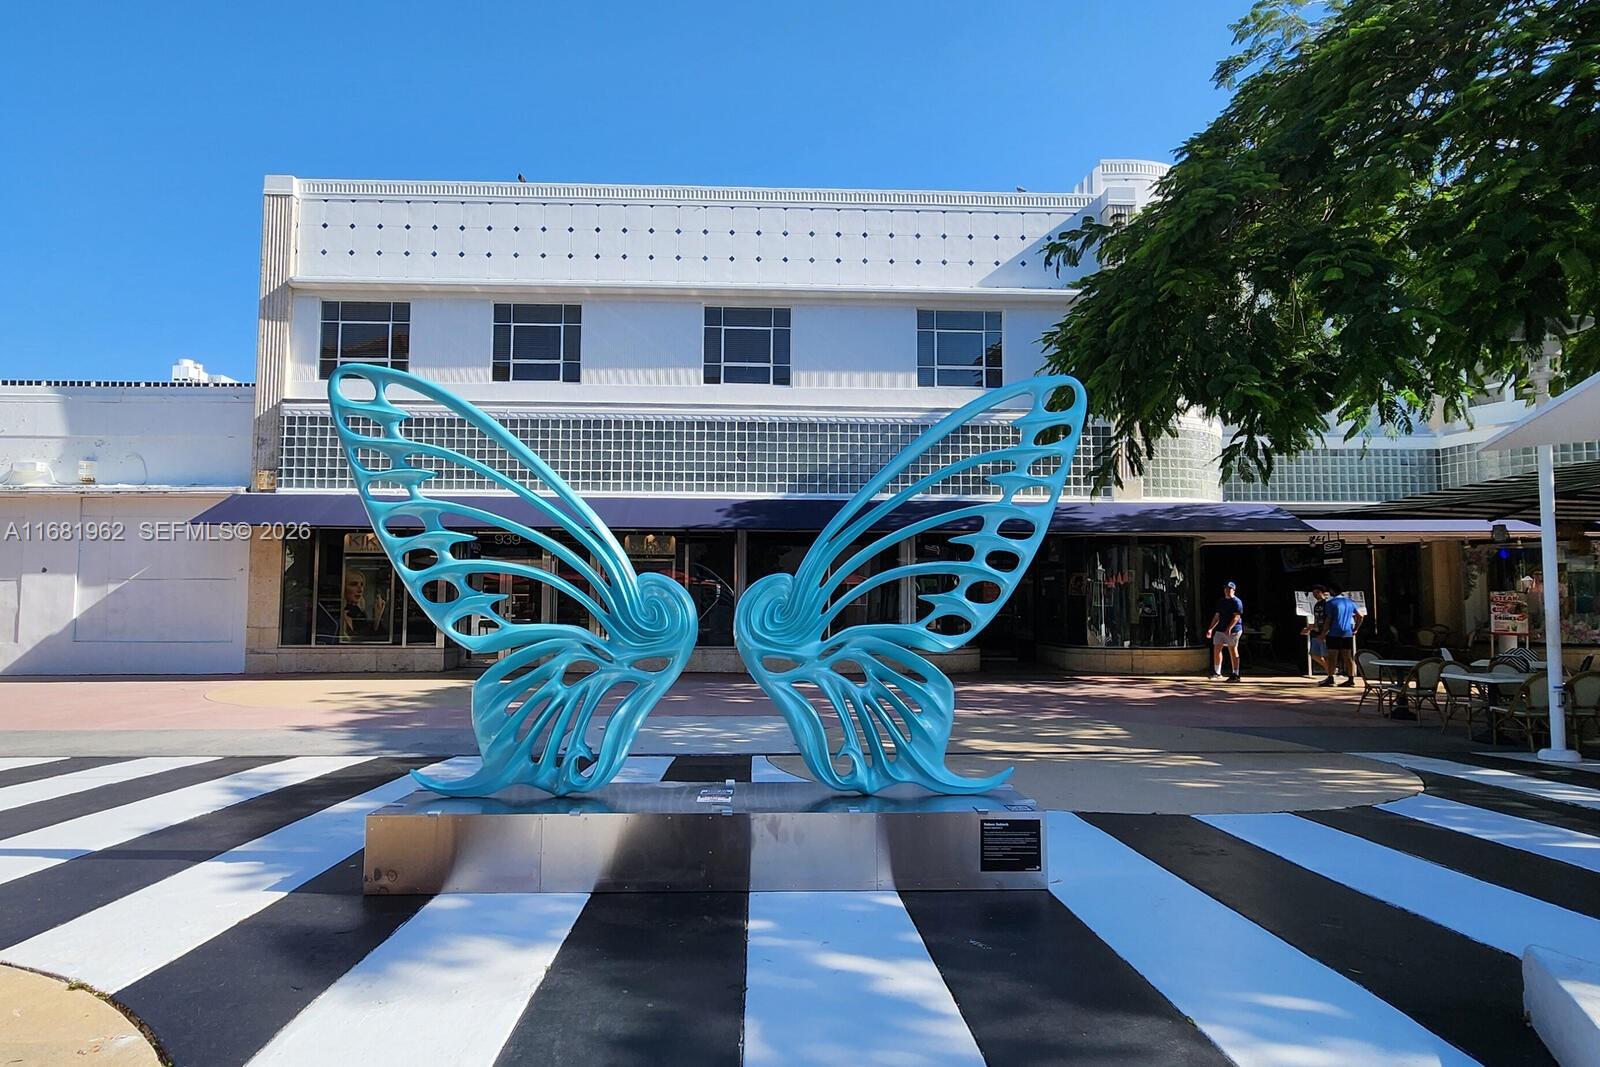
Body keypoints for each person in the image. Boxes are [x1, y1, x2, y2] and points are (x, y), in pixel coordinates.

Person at [1318, 587, 1365, 687]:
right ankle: (1351, 679)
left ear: (1332, 591)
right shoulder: (1350, 602)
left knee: (1332, 656)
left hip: (1334, 632)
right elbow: (1360, 616)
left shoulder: (1330, 603)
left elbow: (1328, 619)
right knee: (1348, 656)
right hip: (1347, 632)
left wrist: (1323, 633)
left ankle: (1331, 678)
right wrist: (1356, 628)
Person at [1205, 580, 1244, 682]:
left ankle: (1236, 674)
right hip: (1220, 629)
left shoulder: (1237, 602)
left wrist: (1229, 628)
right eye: (1226, 588)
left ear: (1234, 590)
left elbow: (1236, 617)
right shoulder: (1221, 601)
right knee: (1217, 648)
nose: (1227, 590)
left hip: (1234, 630)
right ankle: (1217, 672)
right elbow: (1217, 616)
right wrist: (1210, 629)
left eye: (1229, 589)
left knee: (1232, 649)